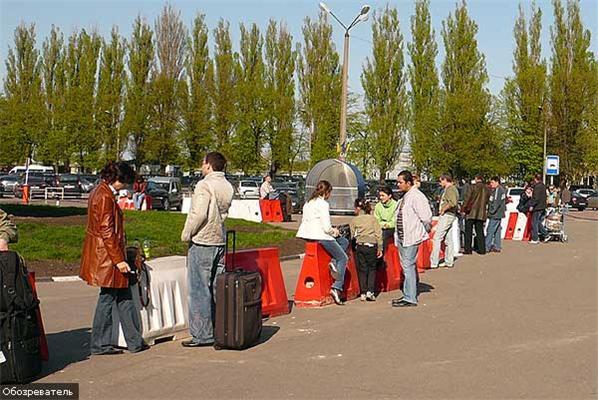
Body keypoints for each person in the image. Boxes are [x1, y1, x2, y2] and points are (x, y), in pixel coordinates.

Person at [79, 161, 147, 355]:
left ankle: (134, 342)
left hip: (106, 255)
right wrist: (119, 260)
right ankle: (101, 344)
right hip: (108, 257)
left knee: (122, 296)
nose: (125, 187)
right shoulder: (104, 196)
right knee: (108, 298)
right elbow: (107, 231)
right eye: (124, 182)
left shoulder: (100, 192)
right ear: (116, 179)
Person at [181, 152, 234, 347]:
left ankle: (202, 334)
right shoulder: (227, 186)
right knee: (216, 288)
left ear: (209, 165)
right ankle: (220, 329)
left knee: (198, 289)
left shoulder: (204, 185)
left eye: (203, 163)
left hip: (203, 240)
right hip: (220, 239)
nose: (201, 166)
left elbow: (199, 213)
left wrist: (187, 233)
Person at [296, 180, 348, 305]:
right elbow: (326, 227)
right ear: (327, 192)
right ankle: (337, 287)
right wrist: (335, 231)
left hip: (308, 234)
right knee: (343, 257)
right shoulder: (323, 204)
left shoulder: (308, 203)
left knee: (344, 242)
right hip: (321, 235)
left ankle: (333, 263)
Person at [392, 171, 432, 308]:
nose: (398, 184)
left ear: (408, 183)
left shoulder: (416, 196)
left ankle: (410, 297)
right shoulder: (406, 196)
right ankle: (409, 292)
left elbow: (426, 217)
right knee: (408, 265)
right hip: (404, 236)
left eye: (400, 182)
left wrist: (421, 231)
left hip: (411, 236)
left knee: (407, 265)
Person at [350, 198, 382, 302]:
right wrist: (380, 247)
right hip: (371, 245)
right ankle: (370, 291)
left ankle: (363, 292)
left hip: (360, 246)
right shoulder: (373, 219)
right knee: (372, 268)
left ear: (357, 208)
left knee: (362, 269)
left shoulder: (354, 220)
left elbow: (352, 235)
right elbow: (378, 234)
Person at [430, 174, 459, 269]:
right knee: (448, 239)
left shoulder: (450, 189)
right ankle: (449, 261)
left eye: (441, 181)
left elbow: (452, 202)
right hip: (449, 215)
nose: (440, 183)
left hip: (447, 215)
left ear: (445, 180)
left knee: (437, 238)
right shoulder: (451, 189)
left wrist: (443, 209)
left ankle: (434, 261)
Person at [462, 175, 490, 255]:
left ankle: (468, 249)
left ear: (476, 179)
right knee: (480, 231)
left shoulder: (472, 187)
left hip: (471, 212)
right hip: (481, 212)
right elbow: (487, 201)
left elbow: (467, 199)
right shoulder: (487, 188)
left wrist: (463, 209)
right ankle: (482, 249)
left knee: (468, 231)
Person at [374, 186, 398, 253]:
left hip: (392, 228)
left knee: (383, 235)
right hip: (381, 227)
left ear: (389, 196)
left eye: (383, 195)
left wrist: (387, 225)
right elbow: (376, 220)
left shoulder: (396, 205)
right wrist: (383, 225)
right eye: (380, 196)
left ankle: (381, 253)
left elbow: (394, 220)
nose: (381, 197)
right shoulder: (378, 206)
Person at [485, 176, 506, 253]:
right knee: (497, 230)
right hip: (498, 214)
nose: (491, 184)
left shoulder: (498, 190)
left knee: (490, 230)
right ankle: (497, 246)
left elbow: (496, 203)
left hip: (495, 214)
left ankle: (487, 247)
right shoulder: (498, 190)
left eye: (492, 182)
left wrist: (491, 212)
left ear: (497, 182)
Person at [528, 174, 548, 244]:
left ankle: (535, 238)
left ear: (535, 179)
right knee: (538, 222)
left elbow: (536, 198)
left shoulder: (537, 187)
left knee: (534, 223)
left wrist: (532, 205)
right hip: (542, 206)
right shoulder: (543, 186)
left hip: (537, 207)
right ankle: (546, 234)